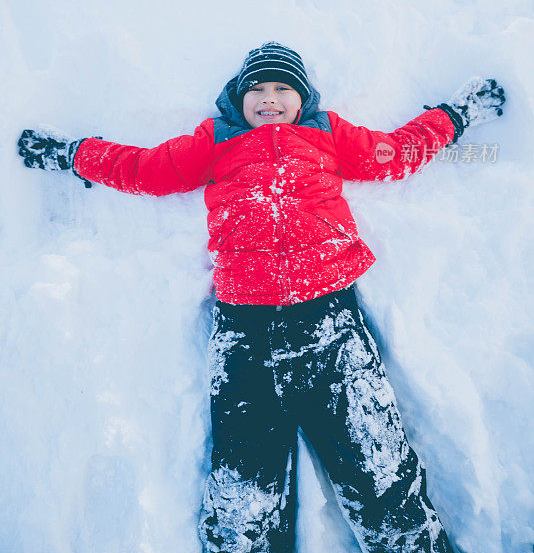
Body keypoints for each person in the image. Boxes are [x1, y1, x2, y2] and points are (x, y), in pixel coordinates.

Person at [17, 42, 506, 553]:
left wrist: (455, 116)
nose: (269, 98)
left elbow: (396, 152)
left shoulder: (327, 135)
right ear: (238, 98)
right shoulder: (216, 140)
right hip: (244, 333)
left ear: (302, 100)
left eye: (282, 88)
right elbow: (145, 168)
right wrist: (73, 154)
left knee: (378, 465)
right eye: (257, 88)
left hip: (331, 321)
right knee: (242, 493)